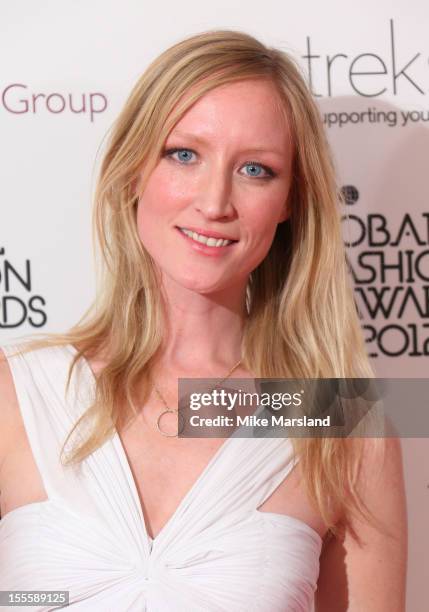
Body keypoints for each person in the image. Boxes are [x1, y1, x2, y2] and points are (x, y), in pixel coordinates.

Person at [0, 30, 407, 611]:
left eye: (257, 170)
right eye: (184, 154)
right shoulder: (16, 393)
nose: (215, 201)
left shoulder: (340, 422)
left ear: (291, 199)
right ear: (134, 168)